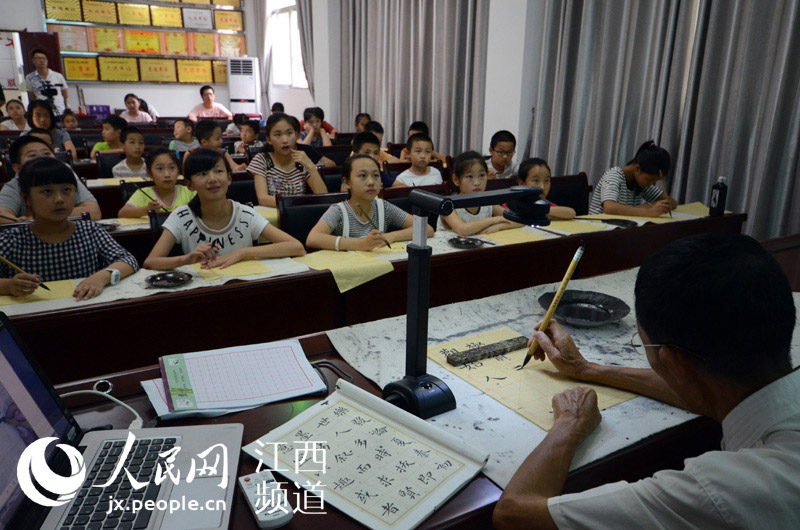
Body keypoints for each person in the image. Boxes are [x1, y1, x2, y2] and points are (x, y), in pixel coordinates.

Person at [493, 232, 800, 529]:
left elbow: (514, 515)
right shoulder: (758, 392)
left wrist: (568, 425)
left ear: (675, 364)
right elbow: (710, 388)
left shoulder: (718, 492)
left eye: (644, 345)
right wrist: (587, 370)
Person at [0, 157, 138, 301]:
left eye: (67, 190)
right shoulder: (12, 239)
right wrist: (8, 285)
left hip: (83, 307)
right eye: (47, 191)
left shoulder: (90, 231)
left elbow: (128, 260)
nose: (59, 199)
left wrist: (101, 277)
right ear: (26, 198)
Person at [143, 148, 305, 270]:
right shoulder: (182, 216)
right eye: (202, 174)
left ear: (228, 178)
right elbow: (150, 262)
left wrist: (242, 252)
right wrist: (187, 259)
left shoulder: (244, 214)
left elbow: (296, 247)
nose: (212, 179)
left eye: (218, 171)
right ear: (189, 184)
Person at [307, 154, 428, 251]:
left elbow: (425, 228)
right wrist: (361, 244)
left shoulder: (383, 207)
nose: (371, 182)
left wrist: (390, 237)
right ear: (347, 182)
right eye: (363, 175)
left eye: (376, 175)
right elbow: (312, 239)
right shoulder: (339, 211)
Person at [0, 136, 100, 223]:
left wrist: (37, 218)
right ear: (17, 168)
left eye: (47, 154)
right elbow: (2, 216)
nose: (43, 159)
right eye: (32, 156)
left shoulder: (65, 174)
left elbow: (94, 212)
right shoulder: (14, 185)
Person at [246, 113, 327, 207]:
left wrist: (310, 166)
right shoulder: (261, 160)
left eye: (289, 133)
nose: (285, 140)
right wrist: (295, 203)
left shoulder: (302, 160)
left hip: (298, 215)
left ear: (297, 135)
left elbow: (323, 195)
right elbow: (263, 199)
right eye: (278, 135)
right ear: (269, 140)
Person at [438, 151, 521, 235]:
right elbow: (463, 229)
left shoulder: (488, 202)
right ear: (456, 180)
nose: (477, 183)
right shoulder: (448, 205)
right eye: (470, 176)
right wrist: (494, 220)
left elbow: (519, 219)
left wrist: (499, 226)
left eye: (481, 175)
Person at [588, 140, 677, 216]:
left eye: (655, 181)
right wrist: (648, 211)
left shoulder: (641, 183)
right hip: (598, 228)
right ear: (637, 168)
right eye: (649, 180)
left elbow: (672, 202)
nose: (651, 184)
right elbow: (609, 208)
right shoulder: (614, 175)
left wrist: (654, 205)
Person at [118, 148, 195, 218]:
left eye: (172, 168)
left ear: (178, 171)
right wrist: (147, 209)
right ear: (149, 173)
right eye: (160, 169)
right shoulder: (143, 193)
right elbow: (122, 214)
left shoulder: (189, 192)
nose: (167, 174)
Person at [24, 49, 68, 115]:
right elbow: (31, 96)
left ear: (47, 61)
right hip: (42, 111)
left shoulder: (58, 76)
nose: (41, 61)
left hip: (59, 110)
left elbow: (65, 94)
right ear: (33, 61)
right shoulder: (30, 77)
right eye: (38, 58)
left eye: (43, 58)